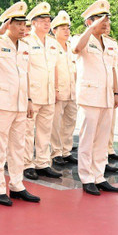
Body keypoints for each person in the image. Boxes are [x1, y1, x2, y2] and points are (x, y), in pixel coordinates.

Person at [0, 2, 39, 206]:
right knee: (0, 147)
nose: (22, 28)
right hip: (2, 102)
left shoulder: (26, 46)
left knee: (18, 147)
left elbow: (25, 74)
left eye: (24, 24)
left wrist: (29, 100)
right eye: (18, 24)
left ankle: (17, 185)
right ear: (8, 24)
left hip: (20, 103)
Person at [72, 0, 118, 196]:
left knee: (102, 139)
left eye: (107, 19)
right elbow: (76, 49)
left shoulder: (110, 43)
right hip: (89, 96)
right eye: (100, 19)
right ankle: (87, 178)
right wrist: (90, 29)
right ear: (89, 22)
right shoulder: (81, 38)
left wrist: (116, 92)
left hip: (106, 96)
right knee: (88, 139)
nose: (105, 23)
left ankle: (99, 176)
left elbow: (113, 69)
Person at [23, 2, 62, 180]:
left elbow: (54, 68)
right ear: (34, 22)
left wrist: (56, 89)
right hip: (32, 94)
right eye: (43, 20)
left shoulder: (53, 43)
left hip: (48, 94)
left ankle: (43, 163)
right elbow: (24, 70)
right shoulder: (26, 42)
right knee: (27, 132)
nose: (47, 23)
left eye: (48, 21)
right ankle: (27, 164)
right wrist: (27, 97)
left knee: (45, 131)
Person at [50, 11, 78, 167]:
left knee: (70, 121)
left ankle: (66, 151)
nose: (67, 31)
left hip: (71, 90)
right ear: (54, 31)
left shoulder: (71, 46)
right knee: (56, 123)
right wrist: (54, 89)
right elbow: (51, 69)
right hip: (58, 90)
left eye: (68, 28)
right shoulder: (51, 46)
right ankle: (56, 152)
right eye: (63, 29)